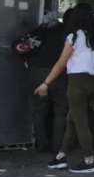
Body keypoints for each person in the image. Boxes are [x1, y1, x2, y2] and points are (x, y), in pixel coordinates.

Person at [36, 3, 94, 174]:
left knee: (80, 123)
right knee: (71, 120)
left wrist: (46, 83)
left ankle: (89, 160)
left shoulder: (74, 37)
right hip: (92, 82)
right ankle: (60, 156)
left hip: (77, 82)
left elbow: (61, 63)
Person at [26, 8, 72, 154]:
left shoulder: (39, 32)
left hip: (37, 71)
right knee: (60, 110)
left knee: (39, 109)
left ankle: (41, 143)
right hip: (59, 74)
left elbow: (23, 47)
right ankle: (58, 147)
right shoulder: (69, 34)